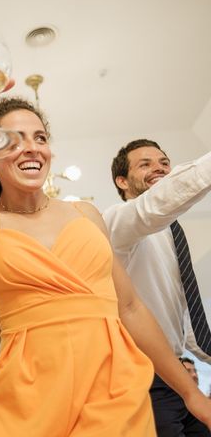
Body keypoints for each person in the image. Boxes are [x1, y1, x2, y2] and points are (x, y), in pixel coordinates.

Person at [0, 44, 211, 436]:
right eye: (13, 138)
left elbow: (129, 307)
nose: (31, 147)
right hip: (28, 395)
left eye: (40, 137)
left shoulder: (86, 215)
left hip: (113, 386)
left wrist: (191, 394)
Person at [104, 139, 211, 436]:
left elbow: (179, 314)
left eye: (164, 162)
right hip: (142, 375)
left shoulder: (171, 232)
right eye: (145, 164)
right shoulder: (116, 222)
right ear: (121, 181)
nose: (159, 168)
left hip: (179, 375)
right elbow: (154, 205)